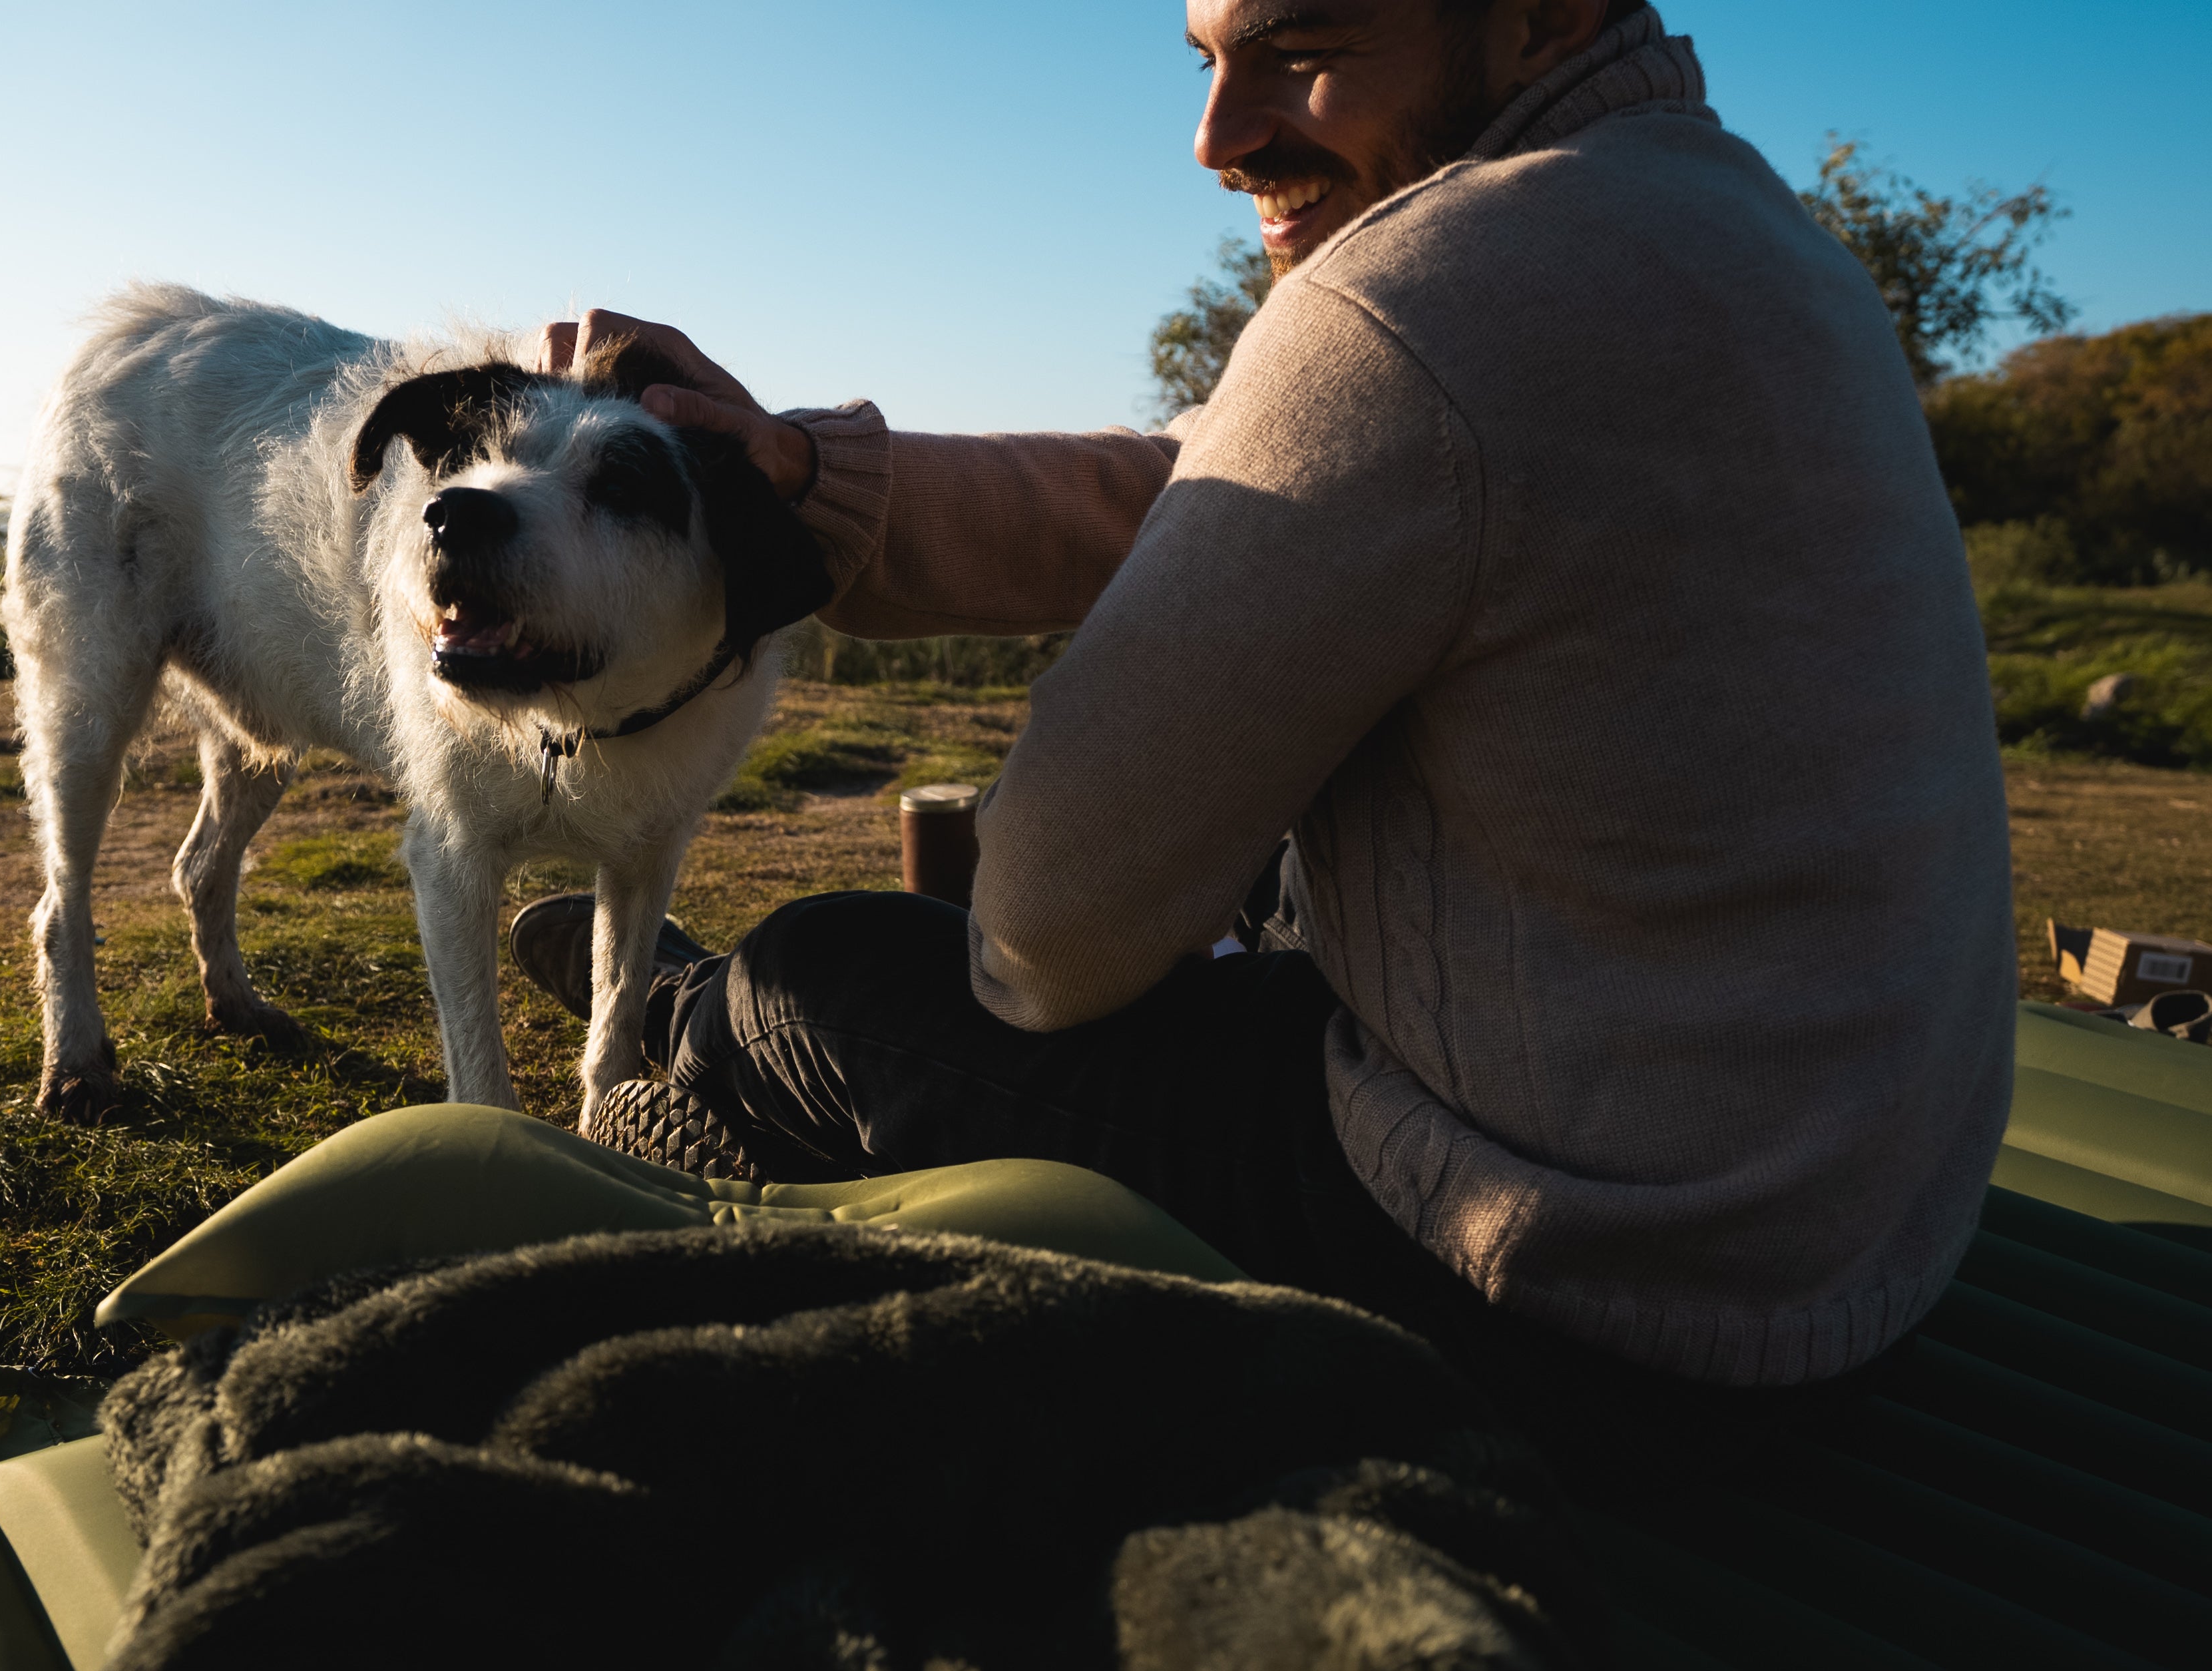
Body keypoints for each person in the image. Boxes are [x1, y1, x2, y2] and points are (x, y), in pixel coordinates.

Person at [506, 0, 2016, 1495]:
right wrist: (800, 476)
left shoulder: (1425, 293)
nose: (1217, 137)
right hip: (1837, 1237)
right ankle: (687, 999)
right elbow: (1229, 478)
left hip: (1576, 1293)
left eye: (1303, 47)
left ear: (1540, 17)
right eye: (1207, 58)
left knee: (828, 973)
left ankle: (696, 1031)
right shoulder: (1744, 234)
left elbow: (1042, 941)